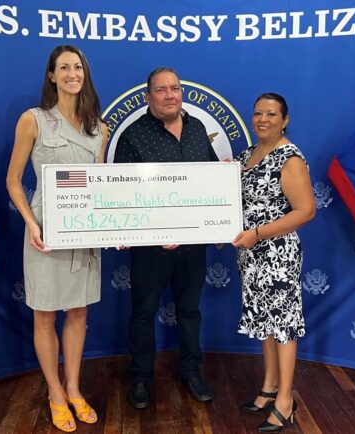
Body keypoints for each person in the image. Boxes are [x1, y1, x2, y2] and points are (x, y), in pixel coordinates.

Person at [6, 45, 108, 433]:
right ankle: (55, 392)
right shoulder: (33, 120)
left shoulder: (99, 128)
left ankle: (74, 389)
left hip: (84, 231)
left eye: (77, 67)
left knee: (79, 313)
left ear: (85, 73)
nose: (71, 74)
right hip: (46, 232)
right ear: (51, 76)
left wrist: (113, 227)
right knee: (45, 314)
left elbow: (101, 185)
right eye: (63, 67)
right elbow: (13, 181)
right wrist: (32, 224)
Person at [114, 67, 219, 409]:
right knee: (143, 313)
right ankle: (141, 378)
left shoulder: (197, 128)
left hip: (193, 245)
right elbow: (121, 193)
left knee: (189, 310)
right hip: (150, 248)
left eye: (175, 88)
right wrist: (148, 231)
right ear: (149, 96)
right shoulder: (133, 135)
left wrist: (219, 225)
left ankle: (190, 371)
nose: (170, 95)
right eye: (161, 90)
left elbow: (214, 180)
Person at [232, 93, 315, 432]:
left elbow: (305, 211)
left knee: (283, 325)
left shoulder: (289, 158)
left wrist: (258, 233)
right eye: (257, 113)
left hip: (277, 254)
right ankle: (268, 386)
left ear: (285, 120)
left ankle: (285, 400)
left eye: (271, 114)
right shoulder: (246, 155)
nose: (262, 119)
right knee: (264, 321)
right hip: (250, 254)